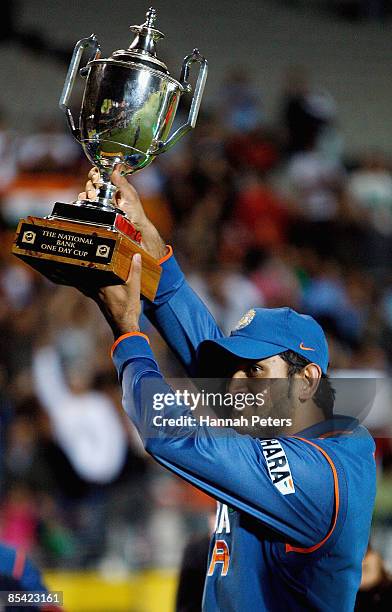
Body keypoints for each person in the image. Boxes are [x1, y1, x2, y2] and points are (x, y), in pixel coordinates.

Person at [76, 167, 376, 611]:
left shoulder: (323, 477)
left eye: (254, 372)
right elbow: (203, 344)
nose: (233, 388)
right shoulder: (281, 428)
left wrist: (127, 334)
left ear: (307, 381)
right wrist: (154, 253)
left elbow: (172, 433)